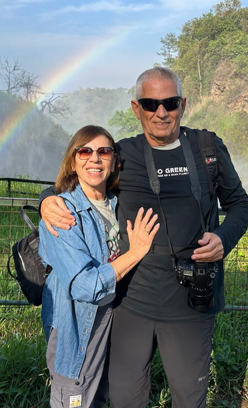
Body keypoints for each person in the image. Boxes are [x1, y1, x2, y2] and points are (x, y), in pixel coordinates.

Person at [41, 67, 248, 408]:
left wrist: (223, 239)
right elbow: (82, 178)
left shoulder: (207, 148)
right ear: (136, 108)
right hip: (130, 306)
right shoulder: (123, 154)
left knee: (189, 400)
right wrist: (47, 201)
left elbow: (240, 204)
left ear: (183, 104)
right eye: (151, 104)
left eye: (170, 103)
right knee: (126, 399)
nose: (161, 112)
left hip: (191, 306)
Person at [39, 125, 160, 408]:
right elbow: (84, 286)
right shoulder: (62, 214)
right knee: (76, 398)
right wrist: (136, 253)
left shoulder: (120, 205)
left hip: (113, 327)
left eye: (104, 151)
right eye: (85, 151)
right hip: (77, 329)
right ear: (73, 163)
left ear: (115, 161)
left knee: (99, 398)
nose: (94, 158)